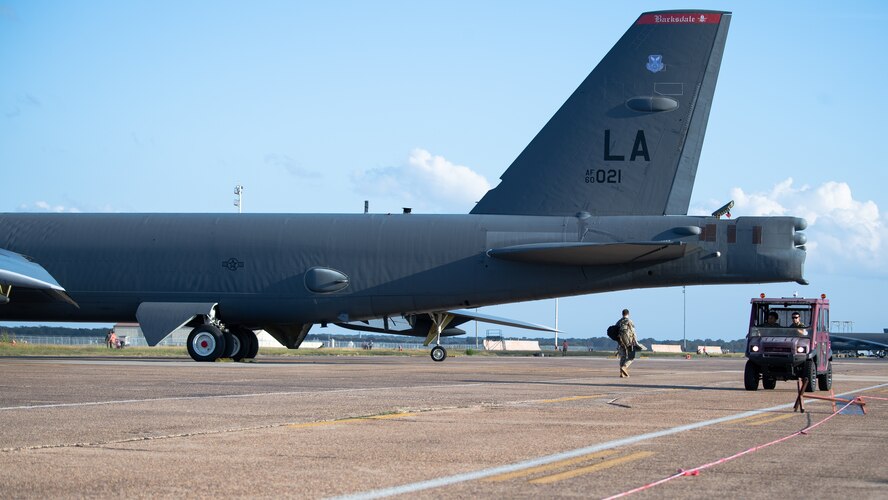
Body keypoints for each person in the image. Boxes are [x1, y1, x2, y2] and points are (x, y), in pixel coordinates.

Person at [616, 309, 638, 378]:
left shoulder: (619, 322)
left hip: (620, 342)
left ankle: (621, 373)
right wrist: (636, 342)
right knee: (632, 356)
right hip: (629, 341)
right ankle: (624, 367)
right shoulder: (629, 321)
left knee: (623, 356)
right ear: (628, 314)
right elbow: (633, 332)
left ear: (622, 314)